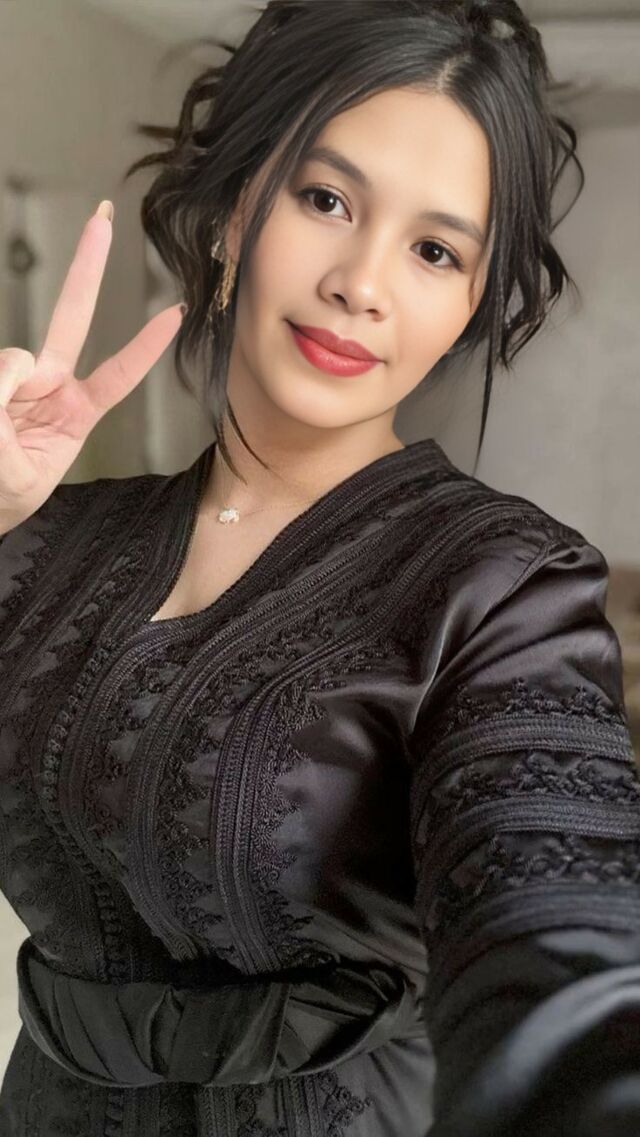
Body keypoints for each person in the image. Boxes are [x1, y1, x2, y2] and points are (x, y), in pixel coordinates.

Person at [0, 1, 638, 1134]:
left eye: (435, 251)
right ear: (233, 212)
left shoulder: (505, 586)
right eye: (327, 199)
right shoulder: (48, 537)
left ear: (467, 307)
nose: (362, 282)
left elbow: (558, 912)